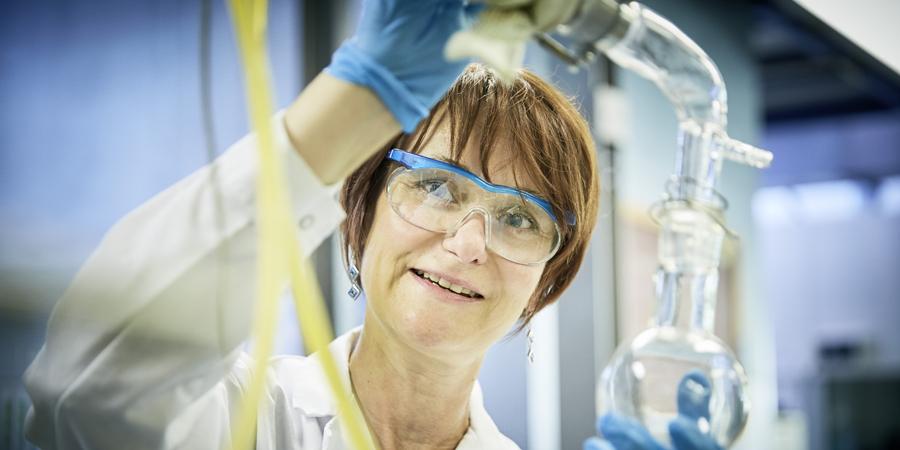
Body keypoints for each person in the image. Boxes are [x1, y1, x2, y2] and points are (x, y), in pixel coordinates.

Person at [23, 0, 721, 448]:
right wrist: (355, 97)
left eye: (518, 217)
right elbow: (87, 393)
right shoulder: (239, 419)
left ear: (546, 278)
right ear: (360, 217)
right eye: (437, 188)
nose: (469, 243)